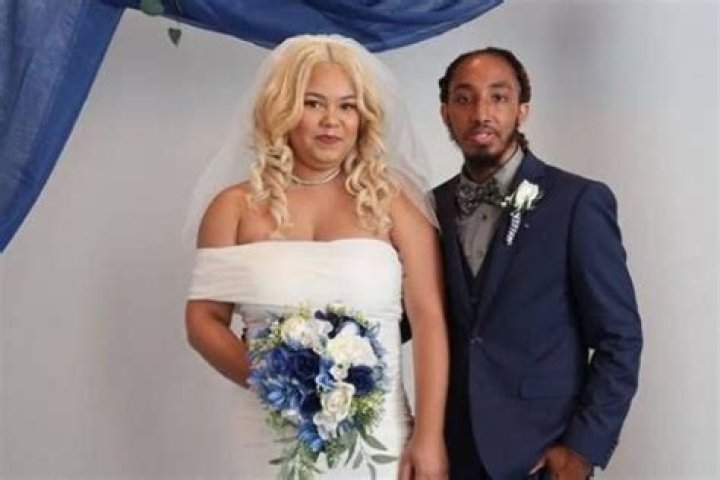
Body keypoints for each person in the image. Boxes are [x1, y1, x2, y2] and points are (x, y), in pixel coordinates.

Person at [185, 35, 449, 479]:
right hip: (267, 433)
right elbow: (202, 320)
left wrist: (429, 437)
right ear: (284, 110)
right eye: (313, 104)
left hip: (379, 438)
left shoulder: (394, 204)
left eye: (347, 106)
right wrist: (277, 384)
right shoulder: (233, 208)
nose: (332, 121)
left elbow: (429, 321)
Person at [433, 47, 642, 479]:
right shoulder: (431, 207)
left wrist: (582, 449)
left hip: (542, 453)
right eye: (464, 98)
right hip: (452, 452)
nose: (481, 113)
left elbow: (619, 338)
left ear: (522, 110)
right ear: (445, 113)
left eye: (498, 97)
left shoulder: (576, 202)